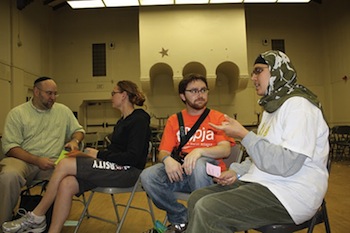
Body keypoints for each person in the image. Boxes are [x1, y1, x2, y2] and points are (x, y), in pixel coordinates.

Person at [185, 50, 330, 232]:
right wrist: (236, 172)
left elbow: (287, 165)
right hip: (266, 183)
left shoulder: (299, 106)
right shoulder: (271, 109)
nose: (253, 78)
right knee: (197, 198)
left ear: (277, 71)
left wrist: (244, 136)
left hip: (292, 193)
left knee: (208, 208)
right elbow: (260, 156)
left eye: (258, 71)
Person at [2, 80, 151, 233]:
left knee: (65, 163)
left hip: (128, 172)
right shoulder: (122, 121)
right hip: (115, 168)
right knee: (67, 184)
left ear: (124, 95)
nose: (111, 96)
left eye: (113, 93)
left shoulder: (139, 119)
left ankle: (36, 216)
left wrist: (98, 154)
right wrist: (86, 155)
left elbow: (132, 157)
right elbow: (114, 153)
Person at [141, 73, 234, 233]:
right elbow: (163, 151)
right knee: (147, 176)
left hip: (212, 174)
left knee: (199, 164)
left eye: (203, 90)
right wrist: (167, 160)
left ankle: (203, 223)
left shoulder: (217, 118)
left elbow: (225, 149)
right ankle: (181, 219)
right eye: (194, 91)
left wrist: (199, 151)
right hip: (184, 173)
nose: (200, 94)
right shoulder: (174, 120)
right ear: (183, 96)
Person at [0, 77, 85, 229]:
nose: (53, 97)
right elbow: (11, 147)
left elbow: (78, 131)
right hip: (24, 160)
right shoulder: (17, 113)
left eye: (55, 94)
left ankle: (51, 225)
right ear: (36, 92)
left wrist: (74, 141)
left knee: (68, 180)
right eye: (49, 93)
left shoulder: (63, 111)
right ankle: (4, 225)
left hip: (53, 163)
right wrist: (36, 160)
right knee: (8, 177)